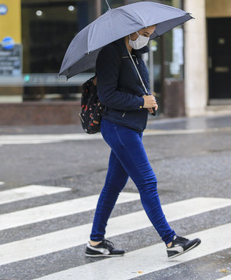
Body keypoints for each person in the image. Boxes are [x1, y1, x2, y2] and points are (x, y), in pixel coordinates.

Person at [85, 25, 201, 259]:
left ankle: (95, 242)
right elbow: (107, 96)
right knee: (148, 181)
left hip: (131, 127)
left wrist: (150, 101)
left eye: (150, 35)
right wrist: (140, 102)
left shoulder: (134, 54)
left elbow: (137, 88)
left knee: (113, 186)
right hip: (118, 126)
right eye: (145, 34)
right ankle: (171, 241)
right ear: (132, 31)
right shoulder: (111, 53)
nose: (147, 39)